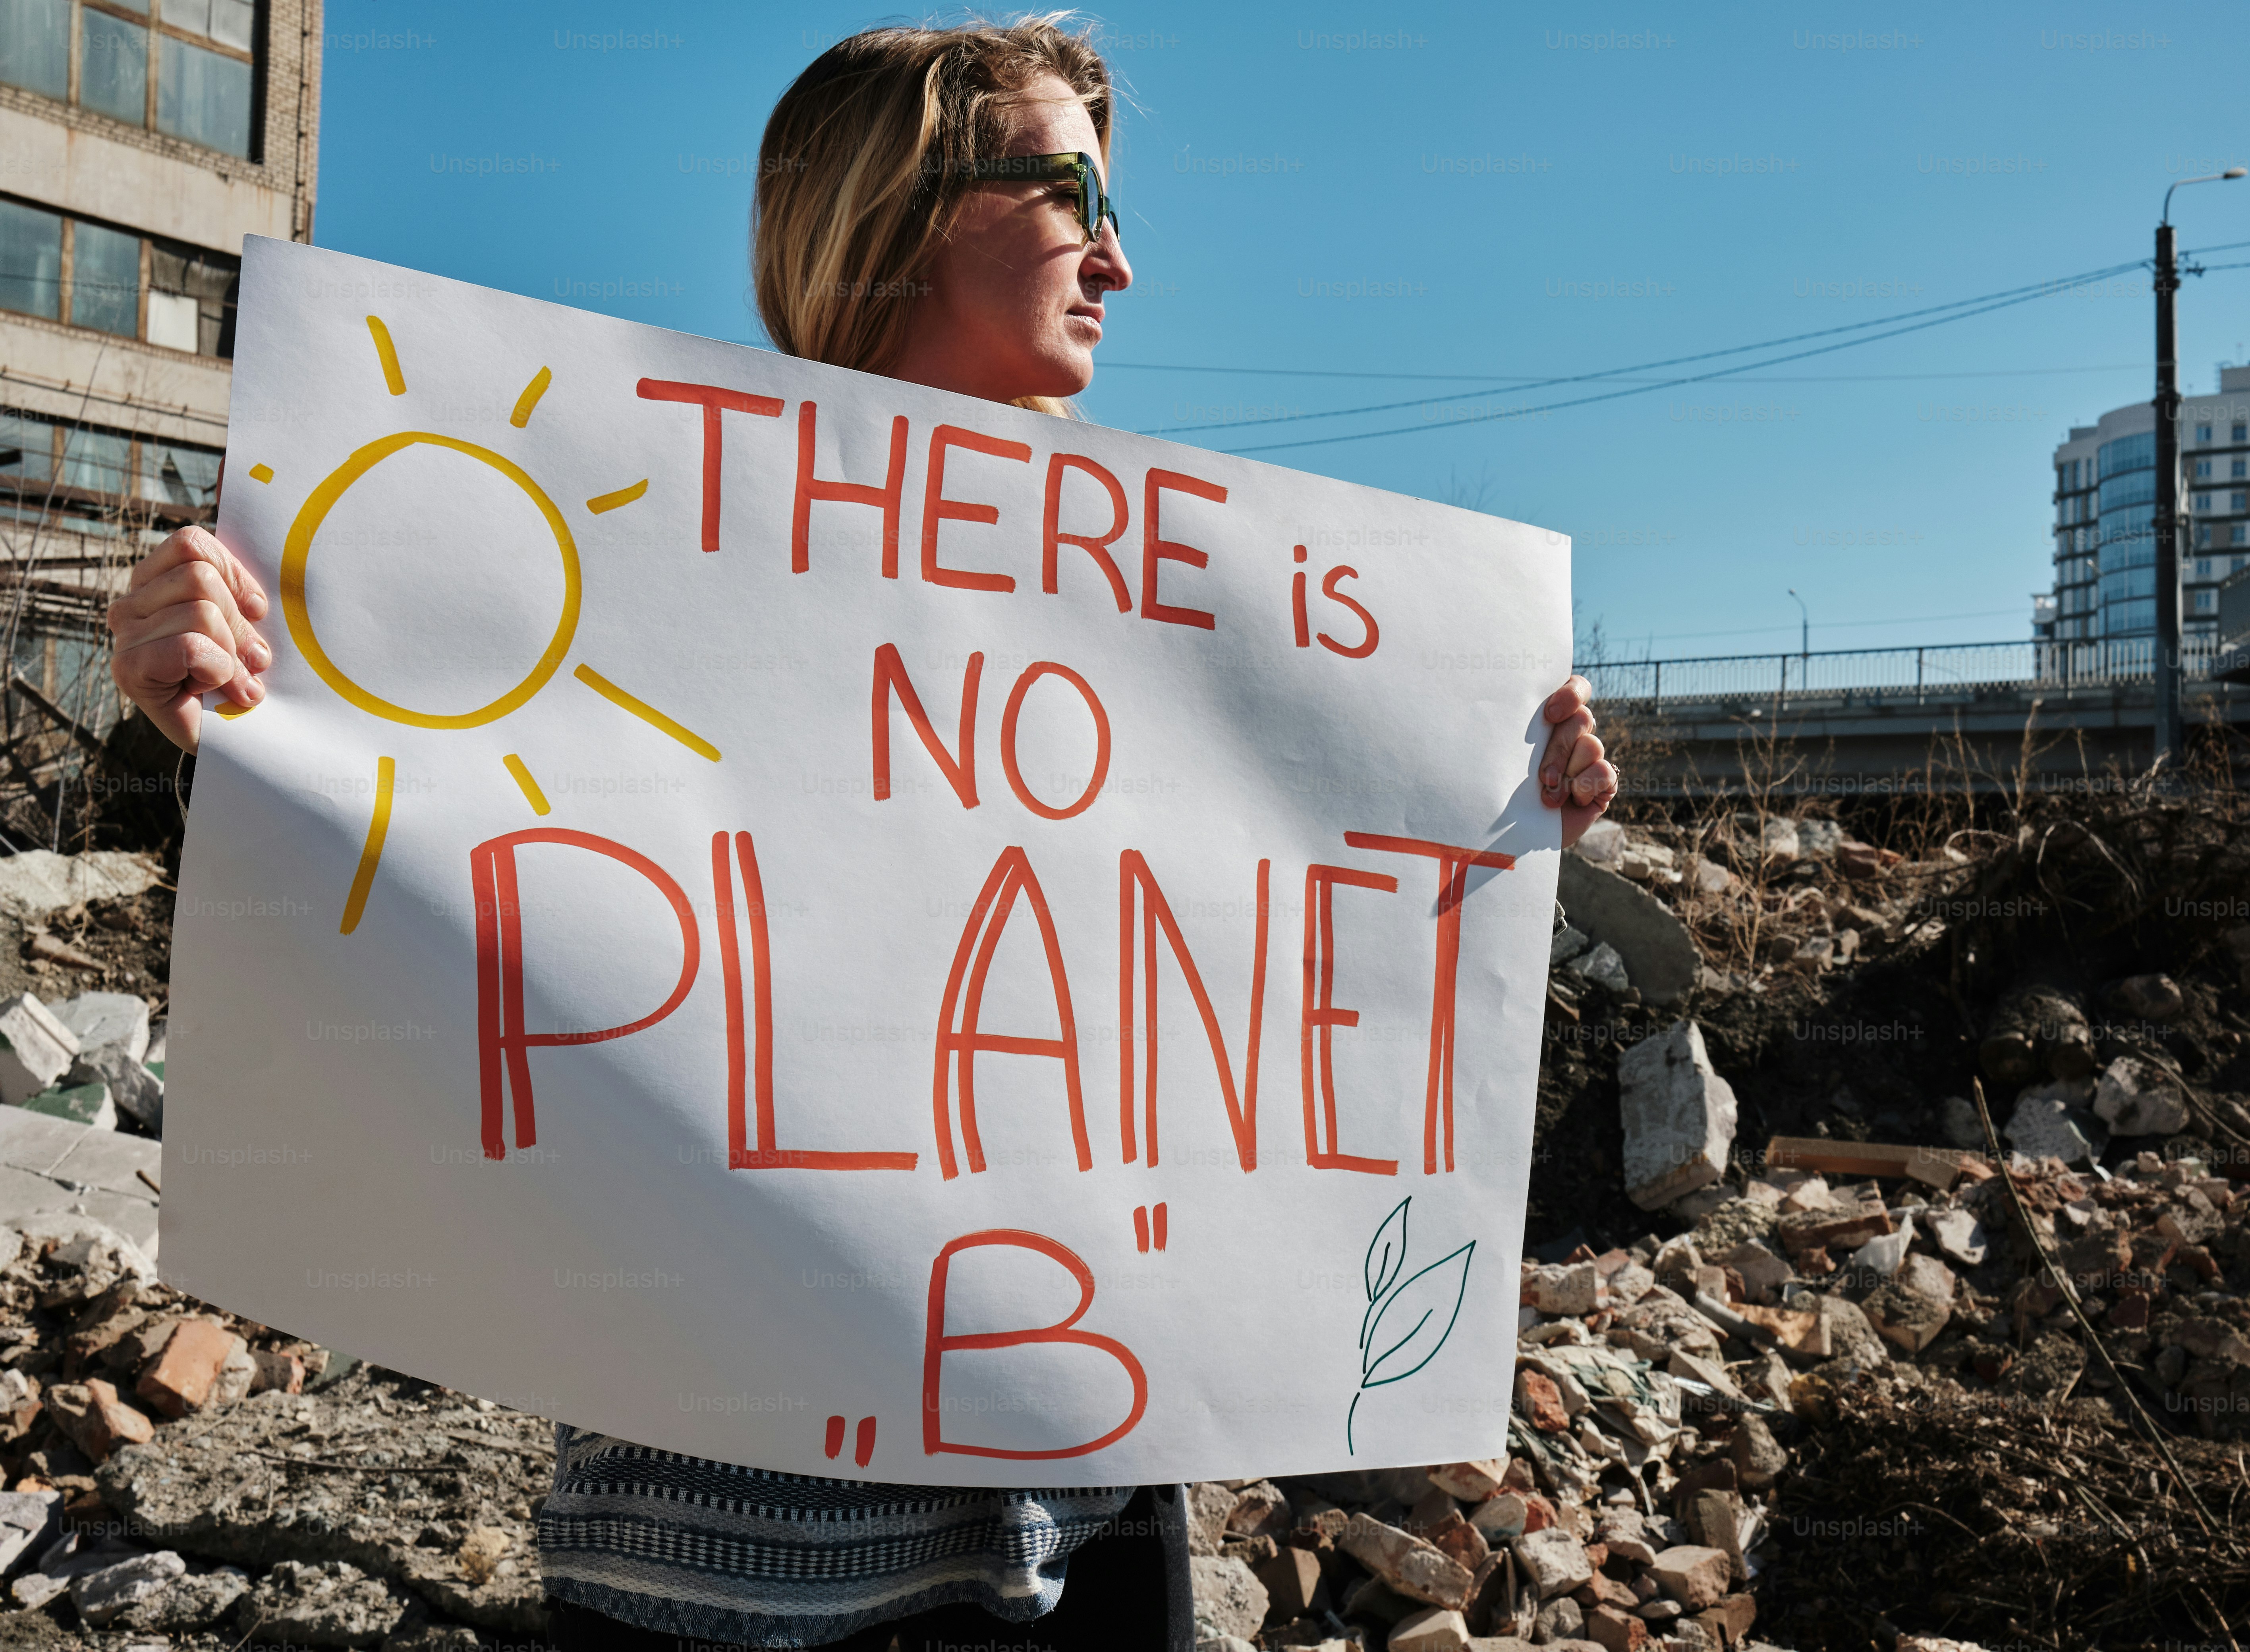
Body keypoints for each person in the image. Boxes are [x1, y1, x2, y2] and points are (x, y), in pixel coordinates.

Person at [106, 17, 1618, 1649]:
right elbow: (446, 882)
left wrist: (1497, 793)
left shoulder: (1189, 623)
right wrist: (228, 713)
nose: (1121, 259)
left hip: (1090, 1537)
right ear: (900, 210)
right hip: (723, 1560)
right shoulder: (640, 564)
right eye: (1070, 194)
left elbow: (1270, 979)